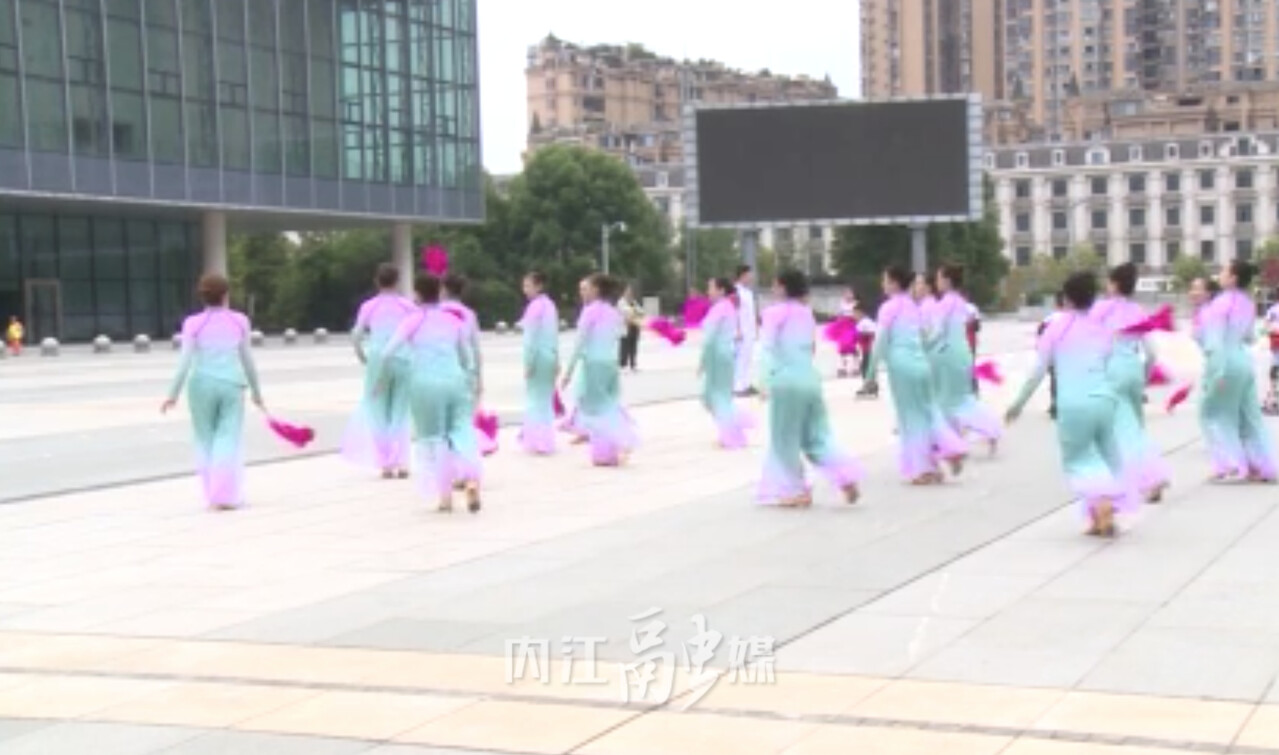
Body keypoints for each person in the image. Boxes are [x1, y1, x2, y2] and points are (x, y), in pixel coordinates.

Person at [1006, 272, 1138, 537]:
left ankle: (1102, 501)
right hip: (1104, 400)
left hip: (1075, 404)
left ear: (1066, 298)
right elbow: (1109, 362)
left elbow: (1038, 371)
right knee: (1107, 454)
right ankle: (1100, 519)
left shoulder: (1056, 327)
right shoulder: (1102, 328)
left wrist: (1018, 404)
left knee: (1078, 459)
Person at [757, 269, 863, 507]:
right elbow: (811, 348)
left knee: (784, 439)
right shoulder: (807, 314)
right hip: (809, 379)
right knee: (816, 437)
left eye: (775, 285)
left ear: (783, 287)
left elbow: (768, 349)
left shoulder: (773, 314)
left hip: (786, 381)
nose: (772, 290)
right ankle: (844, 475)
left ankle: (795, 490)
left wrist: (764, 381)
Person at [376, 274, 480, 512]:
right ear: (439, 292)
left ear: (417, 294)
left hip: (425, 384)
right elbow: (467, 357)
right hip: (455, 381)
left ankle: (445, 498)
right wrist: (469, 379)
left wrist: (382, 379)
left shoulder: (414, 320)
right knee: (461, 431)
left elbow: (387, 352)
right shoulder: (453, 320)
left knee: (434, 438)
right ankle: (470, 479)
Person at [161, 274, 264, 511]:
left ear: (202, 296)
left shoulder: (192, 323)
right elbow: (247, 359)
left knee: (205, 440)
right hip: (232, 385)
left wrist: (172, 394)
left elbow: (185, 362)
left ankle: (212, 495)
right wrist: (256, 391)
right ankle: (228, 494)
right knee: (228, 438)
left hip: (200, 386)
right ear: (226, 295)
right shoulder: (240, 321)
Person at [866, 265, 968, 484]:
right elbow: (930, 336)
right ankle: (948, 451)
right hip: (922, 364)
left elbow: (880, 341)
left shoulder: (888, 308)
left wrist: (870, 373)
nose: (882, 284)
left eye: (885, 280)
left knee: (910, 418)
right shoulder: (914, 307)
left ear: (894, 283)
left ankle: (923, 469)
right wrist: (923, 353)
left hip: (901, 367)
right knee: (929, 412)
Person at [1091, 263, 1171, 502]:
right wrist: (1144, 377)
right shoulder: (1137, 310)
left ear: (1115, 284)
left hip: (1112, 371)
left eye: (1109, 282)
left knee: (1123, 431)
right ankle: (1138, 476)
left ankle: (1150, 477)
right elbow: (1152, 352)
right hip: (1134, 369)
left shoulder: (1102, 309)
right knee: (1135, 426)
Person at [1199, 260, 1277, 483]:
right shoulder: (1248, 303)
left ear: (1233, 278)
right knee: (1250, 417)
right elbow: (1250, 337)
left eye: (1224, 271)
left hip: (1226, 362)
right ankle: (1262, 464)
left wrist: (1216, 371)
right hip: (1244, 361)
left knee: (1212, 412)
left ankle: (1228, 463)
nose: (1220, 274)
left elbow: (1214, 341)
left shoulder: (1220, 304)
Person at [341, 264, 416, 478]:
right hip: (403, 359)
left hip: (377, 359)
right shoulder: (407, 306)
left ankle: (385, 464)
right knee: (400, 411)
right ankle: (402, 462)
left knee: (378, 411)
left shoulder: (369, 306)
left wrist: (361, 354)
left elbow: (356, 334)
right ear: (397, 281)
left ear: (377, 281)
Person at [560, 274, 638, 466]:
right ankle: (616, 444)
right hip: (610, 363)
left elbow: (579, 343)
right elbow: (621, 333)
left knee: (596, 410)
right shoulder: (613, 312)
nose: (583, 293)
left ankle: (608, 451)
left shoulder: (589, 312)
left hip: (594, 364)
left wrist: (568, 372)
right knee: (609, 405)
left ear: (596, 290)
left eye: (586, 289)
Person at [933, 265, 1002, 452]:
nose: (936, 282)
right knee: (961, 398)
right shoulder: (961, 302)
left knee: (948, 400)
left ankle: (951, 441)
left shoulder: (945, 304)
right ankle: (986, 428)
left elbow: (937, 332)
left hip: (948, 355)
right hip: (963, 353)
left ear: (947, 281)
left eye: (938, 278)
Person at [441, 274, 485, 488]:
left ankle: (454, 471)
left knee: (445, 427)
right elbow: (475, 348)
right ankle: (468, 470)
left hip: (443, 373)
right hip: (466, 374)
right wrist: (479, 378)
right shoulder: (469, 314)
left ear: (444, 289)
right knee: (464, 425)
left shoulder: (437, 313)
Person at [699, 277, 752, 449]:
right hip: (726, 354)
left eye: (711, 288)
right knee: (716, 397)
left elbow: (710, 339)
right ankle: (733, 431)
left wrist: (703, 360)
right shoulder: (729, 306)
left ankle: (731, 434)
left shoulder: (719, 308)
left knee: (714, 397)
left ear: (721, 290)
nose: (708, 292)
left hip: (717, 356)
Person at [519, 270, 559, 455]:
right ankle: (546, 439)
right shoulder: (550, 305)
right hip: (549, 355)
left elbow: (531, 339)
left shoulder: (534, 307)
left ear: (539, 286)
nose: (525, 289)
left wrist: (528, 363)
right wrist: (556, 358)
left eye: (528, 285)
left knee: (534, 398)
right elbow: (554, 335)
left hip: (538, 357)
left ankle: (536, 440)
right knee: (545, 399)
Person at [1038, 292, 1066, 419]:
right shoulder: (1074, 318)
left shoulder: (1049, 319)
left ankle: (1055, 404)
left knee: (1055, 379)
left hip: (1053, 355)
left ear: (1056, 304)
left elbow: (1040, 334)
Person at [733, 265, 760, 396]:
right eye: (749, 275)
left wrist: (756, 328)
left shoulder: (748, 292)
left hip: (749, 330)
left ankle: (746, 384)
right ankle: (738, 387)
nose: (751, 277)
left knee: (748, 359)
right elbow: (734, 311)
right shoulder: (735, 291)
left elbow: (751, 312)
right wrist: (737, 330)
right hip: (741, 331)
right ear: (742, 275)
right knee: (740, 359)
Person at [853, 304, 879, 398]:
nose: (854, 316)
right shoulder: (862, 323)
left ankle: (869, 386)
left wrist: (862, 334)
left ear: (861, 313)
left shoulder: (866, 322)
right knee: (866, 367)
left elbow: (873, 333)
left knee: (866, 368)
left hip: (869, 348)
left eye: (855, 313)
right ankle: (871, 386)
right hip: (866, 348)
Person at [617, 284, 642, 372]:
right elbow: (626, 311)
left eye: (630, 291)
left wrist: (635, 311)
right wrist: (634, 311)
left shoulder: (633, 302)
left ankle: (633, 364)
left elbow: (640, 311)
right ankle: (623, 364)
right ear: (624, 292)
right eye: (627, 291)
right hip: (625, 327)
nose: (629, 293)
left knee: (633, 346)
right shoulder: (621, 302)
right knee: (624, 346)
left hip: (634, 326)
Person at [835, 287, 858, 377]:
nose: (848, 295)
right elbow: (839, 316)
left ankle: (855, 367)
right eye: (846, 294)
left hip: (853, 325)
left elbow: (858, 315)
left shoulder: (856, 304)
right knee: (842, 348)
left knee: (853, 347)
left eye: (850, 294)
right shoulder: (841, 304)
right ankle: (842, 368)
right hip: (844, 326)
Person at [1265, 292, 1279, 415]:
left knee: (1274, 368)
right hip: (1276, 341)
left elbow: (1268, 326)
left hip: (1276, 341)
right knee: (1274, 368)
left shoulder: (1272, 310)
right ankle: (1272, 399)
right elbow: (1268, 326)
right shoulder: (1273, 310)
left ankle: (1272, 398)